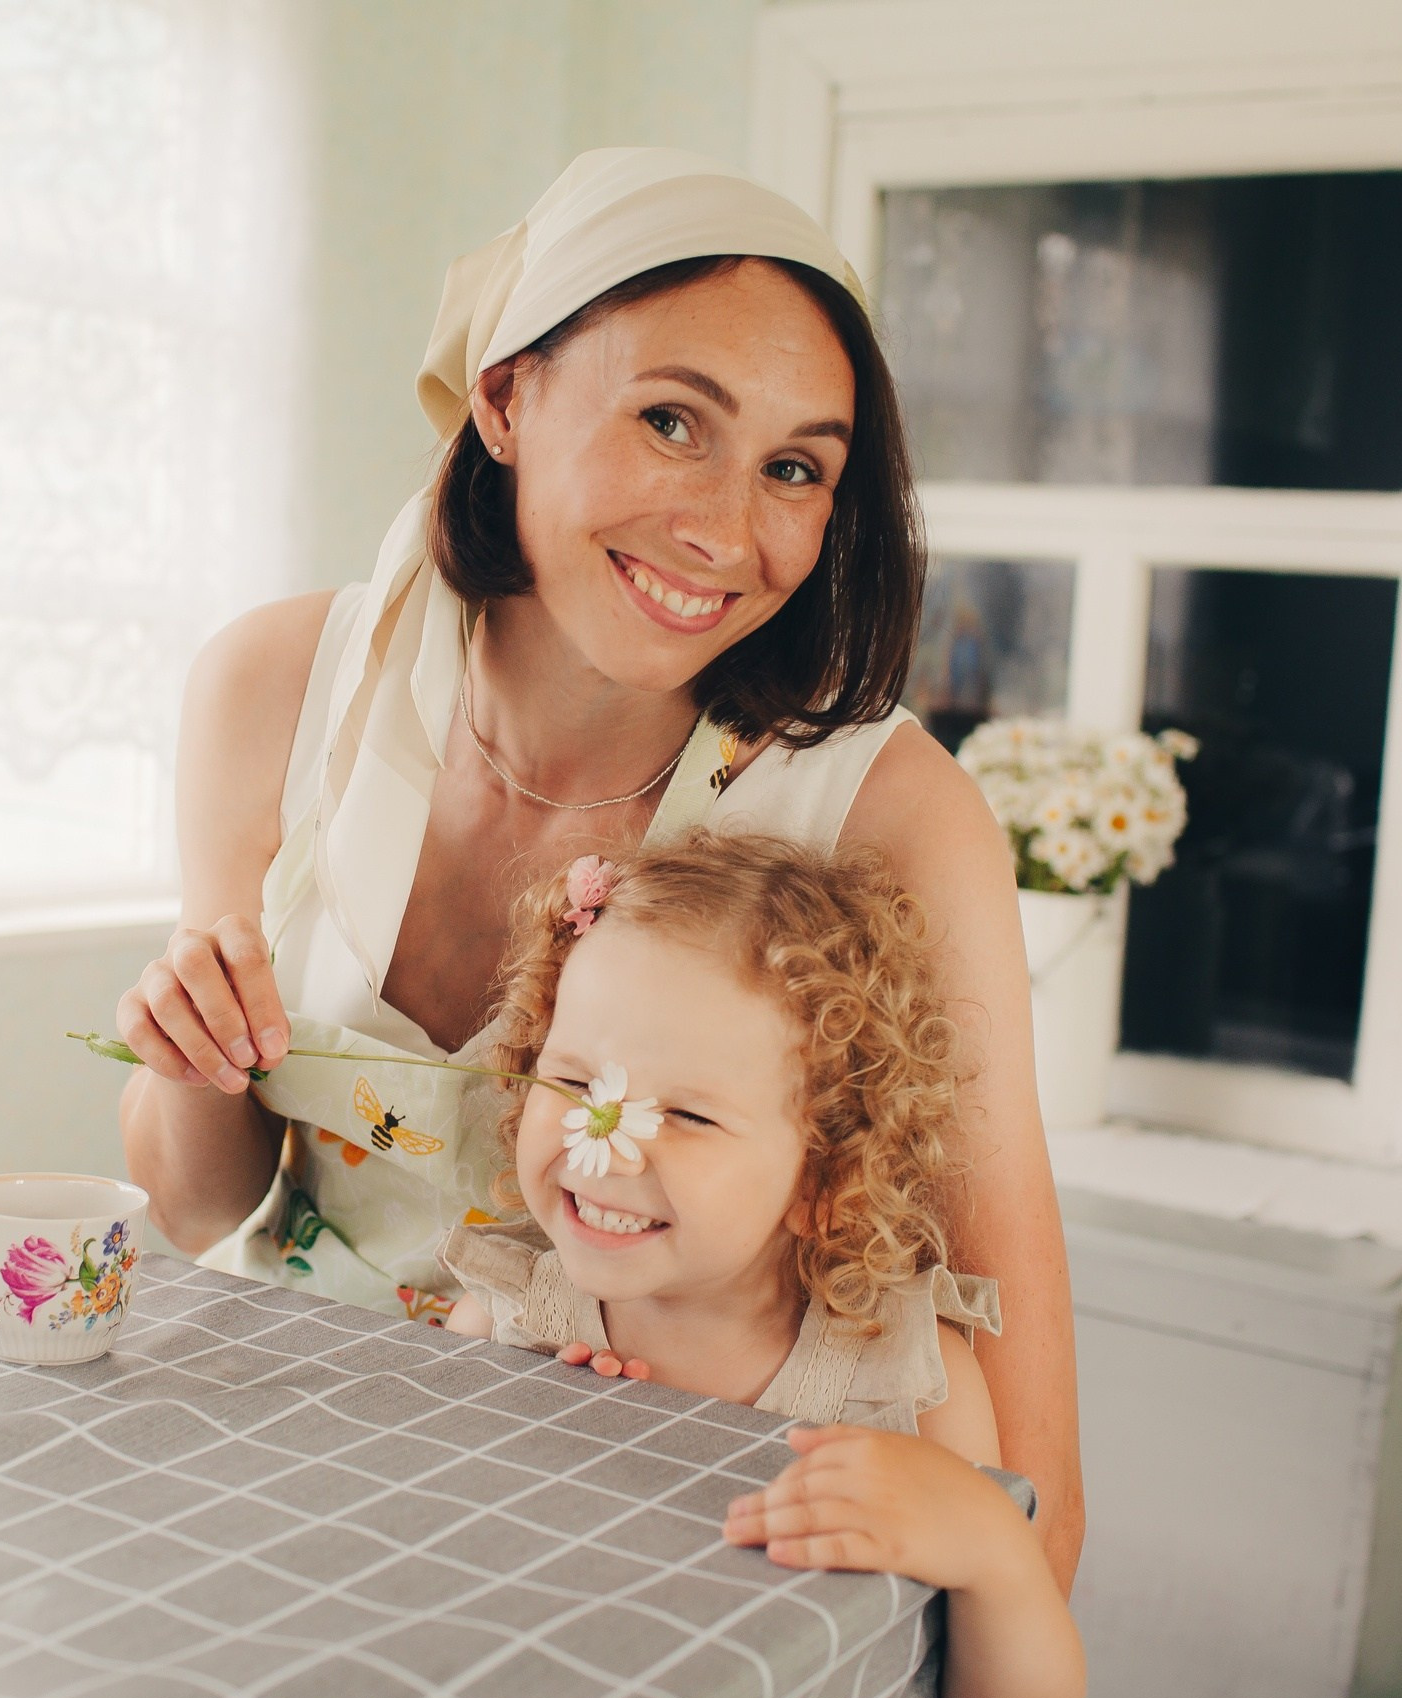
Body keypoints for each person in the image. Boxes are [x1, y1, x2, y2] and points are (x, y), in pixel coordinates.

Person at [115, 147, 1084, 1586]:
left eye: (795, 468)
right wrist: (193, 1049)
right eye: (671, 421)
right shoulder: (274, 685)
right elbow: (204, 1209)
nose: (727, 531)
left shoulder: (891, 815)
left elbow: (1028, 1487)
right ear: (505, 396)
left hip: (635, 1562)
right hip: (272, 1475)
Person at [439, 835, 1082, 1698]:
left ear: (824, 1178)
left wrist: (992, 1547)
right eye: (578, 1082)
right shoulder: (502, 1321)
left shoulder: (909, 1387)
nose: (606, 1142)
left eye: (690, 1114)